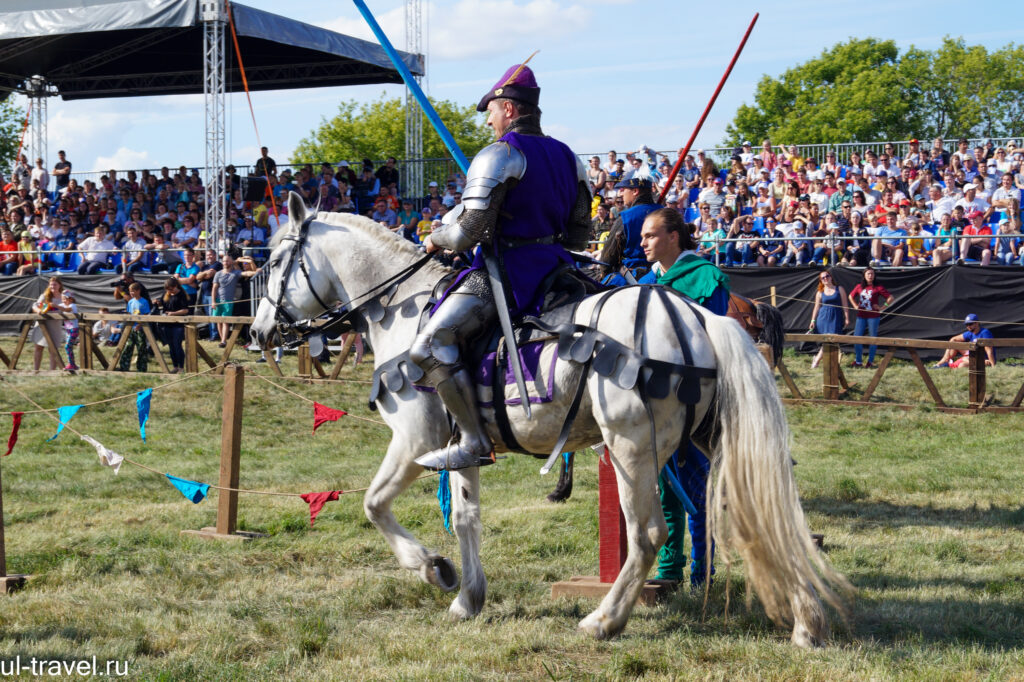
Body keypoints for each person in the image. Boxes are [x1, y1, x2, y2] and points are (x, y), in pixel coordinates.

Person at [411, 61, 591, 472]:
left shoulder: (501, 154)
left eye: (491, 111)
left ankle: (473, 440)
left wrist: (434, 237)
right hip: (558, 268)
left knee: (429, 345)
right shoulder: (569, 157)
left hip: (505, 274)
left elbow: (466, 235)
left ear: (508, 108)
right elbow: (580, 235)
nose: (489, 120)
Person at [638, 207, 729, 589]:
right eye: (643, 237)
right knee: (663, 488)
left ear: (674, 236)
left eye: (651, 236)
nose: (643, 243)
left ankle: (702, 574)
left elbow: (714, 343)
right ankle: (670, 566)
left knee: (697, 486)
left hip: (696, 401)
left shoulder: (707, 277)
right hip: (655, 402)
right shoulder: (643, 283)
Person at [848, 266, 894, 368]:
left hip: (873, 316)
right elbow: (850, 296)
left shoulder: (878, 287)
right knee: (857, 338)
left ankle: (870, 361)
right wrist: (855, 305)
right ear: (864, 275)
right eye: (868, 274)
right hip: (861, 316)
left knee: (873, 338)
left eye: (872, 274)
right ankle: (858, 361)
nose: (870, 276)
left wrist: (882, 307)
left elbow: (890, 298)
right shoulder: (859, 286)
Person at [808, 270, 850, 369]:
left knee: (832, 340)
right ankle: (819, 361)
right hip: (823, 318)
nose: (825, 278)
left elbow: (845, 304)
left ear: (831, 277)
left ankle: (817, 359)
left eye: (827, 276)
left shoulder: (839, 289)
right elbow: (816, 307)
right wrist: (813, 321)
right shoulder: (820, 292)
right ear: (821, 281)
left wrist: (847, 318)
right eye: (823, 278)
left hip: (836, 317)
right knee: (826, 341)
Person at [31, 276, 67, 370]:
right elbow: (35, 305)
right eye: (51, 285)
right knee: (39, 347)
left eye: (55, 284)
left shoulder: (63, 297)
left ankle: (52, 370)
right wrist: (38, 310)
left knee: (53, 349)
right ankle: (36, 369)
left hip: (55, 325)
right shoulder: (45, 296)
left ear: (59, 285)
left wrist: (57, 307)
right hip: (43, 324)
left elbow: (67, 308)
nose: (53, 287)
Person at [211, 248, 243, 348]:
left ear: (231, 262)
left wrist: (255, 272)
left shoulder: (235, 273)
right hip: (217, 300)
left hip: (228, 301)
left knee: (225, 321)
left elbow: (245, 273)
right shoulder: (218, 273)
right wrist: (213, 301)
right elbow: (214, 288)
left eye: (227, 260)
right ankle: (222, 340)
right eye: (224, 260)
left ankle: (224, 341)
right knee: (218, 321)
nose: (225, 262)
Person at [158, 277, 190, 373]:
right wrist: (157, 303)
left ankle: (181, 367)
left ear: (175, 286)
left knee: (177, 345)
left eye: (171, 289)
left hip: (178, 324)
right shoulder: (166, 294)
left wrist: (174, 313)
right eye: (167, 289)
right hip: (167, 324)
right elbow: (162, 306)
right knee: (171, 346)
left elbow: (185, 310)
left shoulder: (181, 294)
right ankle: (175, 366)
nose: (169, 291)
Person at [117, 283, 151, 372]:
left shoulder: (144, 302)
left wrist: (140, 325)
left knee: (141, 348)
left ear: (138, 291)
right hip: (131, 328)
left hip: (141, 328)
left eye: (133, 291)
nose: (131, 293)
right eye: (130, 291)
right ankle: (124, 367)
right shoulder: (130, 302)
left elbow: (146, 314)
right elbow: (129, 313)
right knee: (128, 347)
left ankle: (141, 368)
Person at [59, 290, 81, 371]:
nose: (63, 301)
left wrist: (57, 306)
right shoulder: (62, 305)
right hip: (68, 329)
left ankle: (71, 364)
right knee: (69, 347)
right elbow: (55, 308)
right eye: (62, 299)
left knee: (67, 346)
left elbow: (67, 310)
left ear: (71, 299)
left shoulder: (73, 305)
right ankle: (72, 364)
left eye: (65, 299)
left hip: (74, 328)